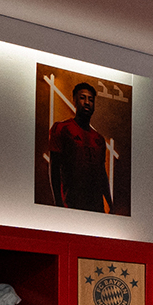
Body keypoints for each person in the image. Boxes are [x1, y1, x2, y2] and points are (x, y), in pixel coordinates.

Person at [48, 81, 111, 212]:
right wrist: (58, 204)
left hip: (96, 206)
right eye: (82, 98)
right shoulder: (62, 129)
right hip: (71, 202)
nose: (87, 102)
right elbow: (55, 168)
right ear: (75, 101)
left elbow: (102, 173)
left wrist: (110, 204)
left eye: (91, 99)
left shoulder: (99, 139)